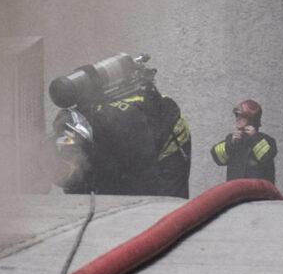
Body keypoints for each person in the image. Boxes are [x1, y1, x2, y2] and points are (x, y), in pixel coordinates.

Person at [49, 54, 191, 198]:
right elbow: (72, 177)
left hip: (166, 147)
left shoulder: (119, 124)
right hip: (123, 149)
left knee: (167, 208)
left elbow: (143, 175)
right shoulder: (68, 123)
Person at [209, 98, 279, 185]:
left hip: (258, 194)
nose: (237, 119)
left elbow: (266, 157)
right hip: (236, 192)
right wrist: (230, 144)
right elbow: (217, 157)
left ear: (252, 119)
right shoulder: (232, 140)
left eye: (241, 116)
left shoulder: (266, 140)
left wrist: (254, 138)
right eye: (237, 115)